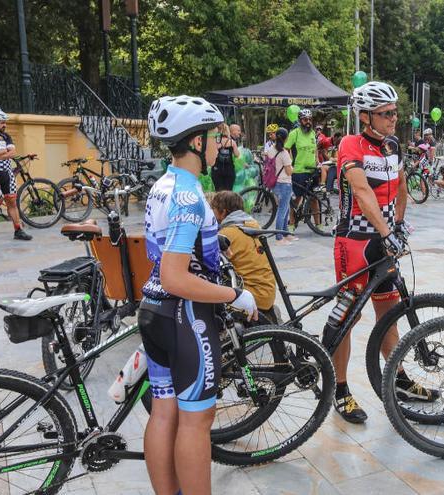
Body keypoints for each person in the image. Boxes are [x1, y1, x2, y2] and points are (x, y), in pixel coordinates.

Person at [141, 95, 258, 495]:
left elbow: (169, 257)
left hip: (154, 311)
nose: (219, 144)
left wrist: (212, 247)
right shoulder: (189, 196)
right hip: (185, 316)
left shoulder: (162, 185)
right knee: (196, 420)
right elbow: (177, 277)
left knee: (163, 414)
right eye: (214, 136)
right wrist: (233, 295)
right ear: (195, 142)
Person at [334, 80, 436, 423]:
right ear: (365, 116)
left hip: (384, 240)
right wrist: (386, 231)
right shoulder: (350, 144)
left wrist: (400, 225)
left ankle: (399, 379)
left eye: (395, 112)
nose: (394, 118)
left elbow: (403, 187)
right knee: (347, 317)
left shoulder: (392, 145)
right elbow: (362, 192)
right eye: (386, 113)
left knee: (389, 312)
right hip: (356, 242)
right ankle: (340, 389)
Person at [210, 190, 280, 318]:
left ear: (223, 212)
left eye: (213, 209)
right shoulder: (252, 225)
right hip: (267, 293)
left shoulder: (227, 234)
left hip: (253, 295)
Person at [0, 108, 31, 240]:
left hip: (7, 173)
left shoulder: (6, 136)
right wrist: (3, 152)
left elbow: (12, 153)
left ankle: (18, 231)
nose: (5, 125)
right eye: (2, 122)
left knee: (12, 202)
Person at [286, 109, 320, 226]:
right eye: (305, 120)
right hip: (299, 171)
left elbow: (315, 149)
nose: (308, 122)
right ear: (300, 121)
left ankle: (318, 225)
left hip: (312, 171)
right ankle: (291, 223)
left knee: (314, 198)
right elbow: (286, 149)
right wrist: (288, 164)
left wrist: (317, 161)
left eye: (310, 119)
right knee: (297, 198)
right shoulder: (294, 133)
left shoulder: (313, 133)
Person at [265, 127, 297, 243]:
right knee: (282, 210)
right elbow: (289, 171)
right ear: (286, 138)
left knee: (285, 208)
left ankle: (286, 233)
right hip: (284, 183)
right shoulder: (284, 153)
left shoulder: (270, 150)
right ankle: (279, 237)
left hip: (274, 183)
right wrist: (293, 166)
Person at [211, 123, 239, 192]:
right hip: (229, 169)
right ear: (227, 131)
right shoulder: (232, 142)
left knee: (218, 191)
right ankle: (228, 202)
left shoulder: (215, 142)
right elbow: (237, 154)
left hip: (217, 169)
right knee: (228, 192)